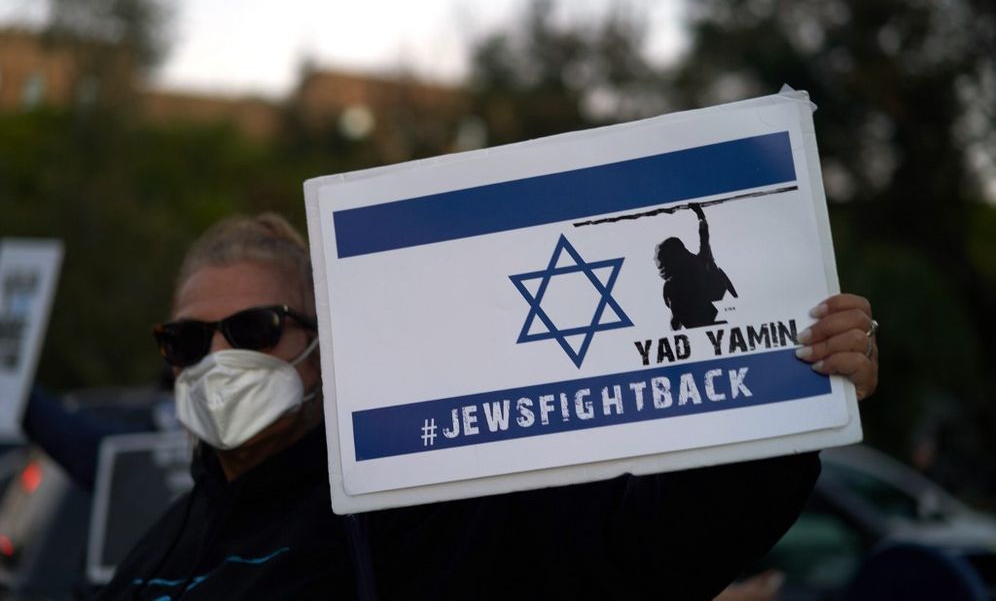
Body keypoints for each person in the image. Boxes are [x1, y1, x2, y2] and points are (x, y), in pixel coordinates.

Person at [96, 212, 880, 600]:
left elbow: (651, 540)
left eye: (253, 329)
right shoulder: (152, 557)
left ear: (325, 348)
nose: (218, 359)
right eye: (188, 339)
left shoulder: (413, 514)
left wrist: (791, 394)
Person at [655, 202, 738, 330]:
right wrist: (700, 215)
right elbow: (704, 236)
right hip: (720, 318)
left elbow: (675, 322)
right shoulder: (701, 261)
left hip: (707, 322)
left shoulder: (671, 288)